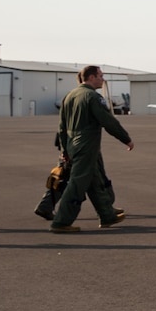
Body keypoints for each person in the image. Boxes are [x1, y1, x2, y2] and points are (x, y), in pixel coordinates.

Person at [49, 65, 135, 232]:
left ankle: (106, 215)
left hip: (73, 145)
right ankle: (61, 222)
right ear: (90, 77)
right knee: (77, 183)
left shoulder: (69, 96)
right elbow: (108, 120)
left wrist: (65, 150)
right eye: (100, 76)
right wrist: (126, 139)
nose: (103, 79)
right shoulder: (92, 97)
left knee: (95, 180)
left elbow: (62, 126)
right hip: (86, 145)